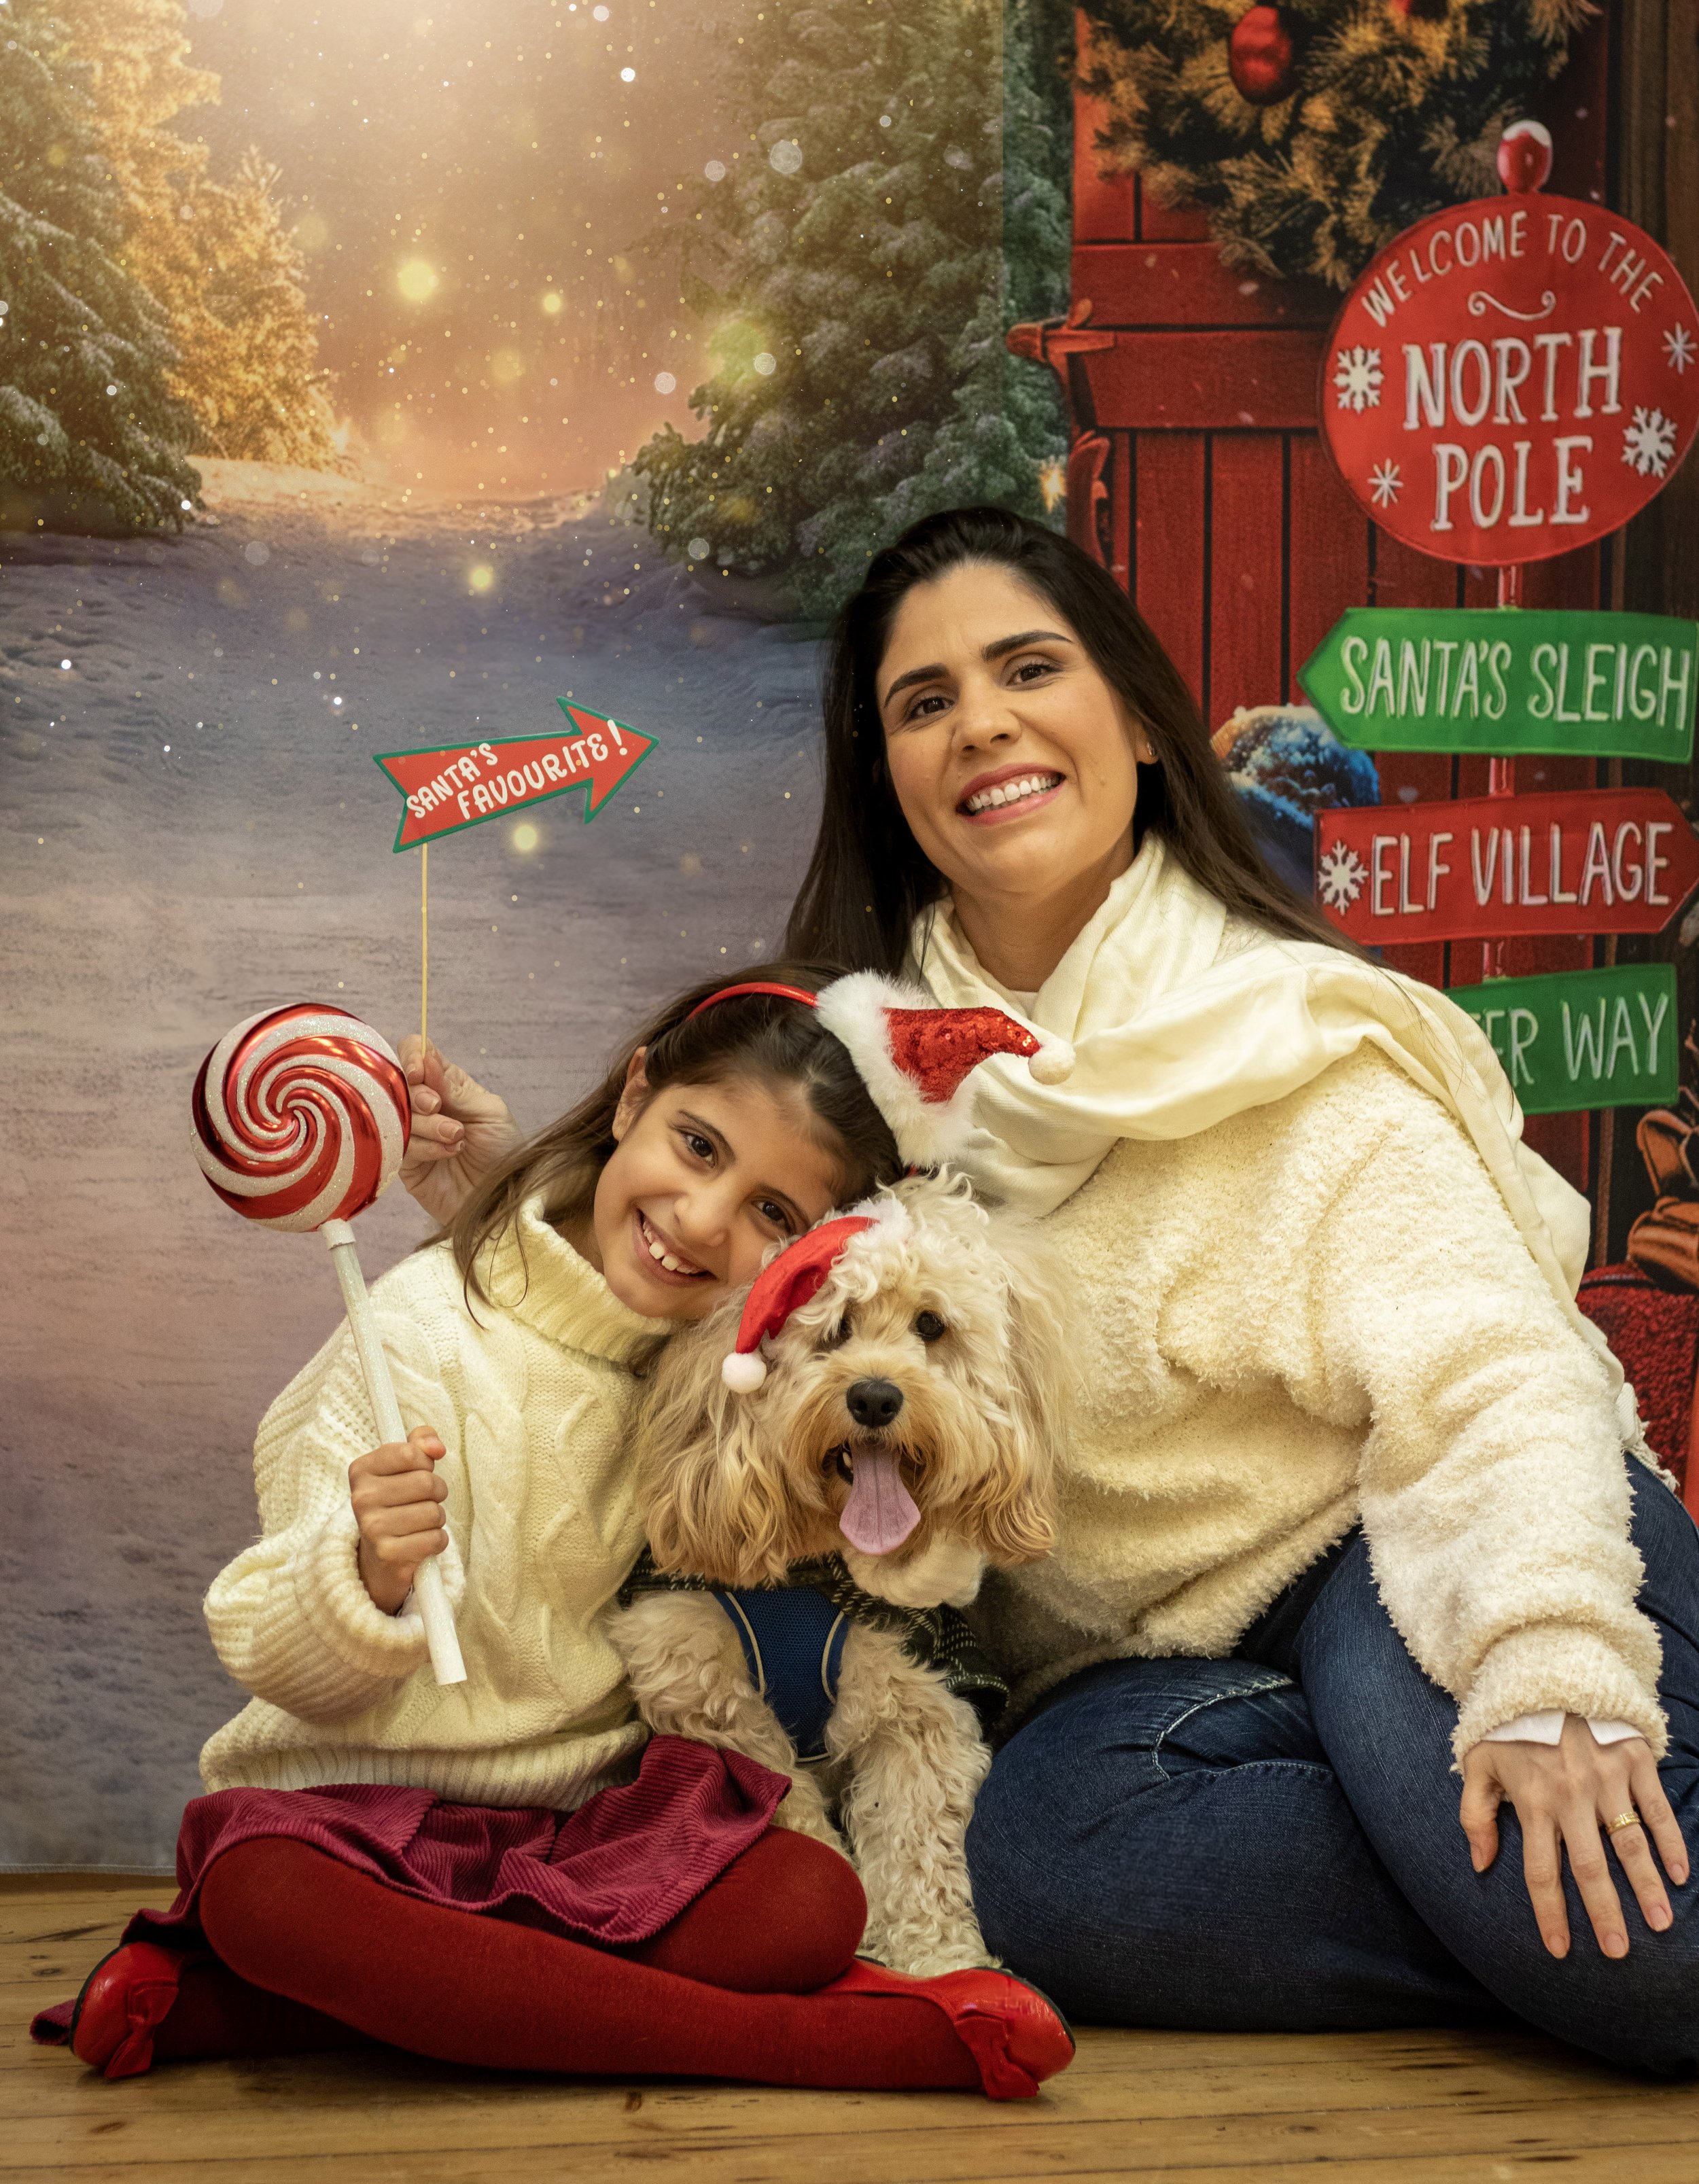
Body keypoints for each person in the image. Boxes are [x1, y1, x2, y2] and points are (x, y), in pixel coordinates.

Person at [398, 508, 1699, 2075]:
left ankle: (1511, 1836)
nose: (982, 722)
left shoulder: (1296, 1035)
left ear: (1140, 722)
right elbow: (724, 1300)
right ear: (890, 773)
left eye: (1027, 668)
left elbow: (1492, 1374)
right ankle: (1446, 1844)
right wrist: (497, 1191)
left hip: (1405, 1528)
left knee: (1645, 1954)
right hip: (1135, 1670)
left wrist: (1542, 1668)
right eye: (922, 699)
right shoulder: (862, 1069)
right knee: (1043, 1867)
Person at [34, 966, 1072, 2100]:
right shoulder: (410, 1335)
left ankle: (248, 2003)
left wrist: (505, 1175)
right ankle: (814, 2048)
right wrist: (365, 1574)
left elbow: (594, 1299)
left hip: (584, 1826)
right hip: (359, 1824)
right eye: (699, 1146)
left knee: (808, 1901)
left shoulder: (707, 1371)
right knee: (265, 1892)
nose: (703, 1217)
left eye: (772, 1215)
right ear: (635, 1098)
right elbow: (261, 1639)